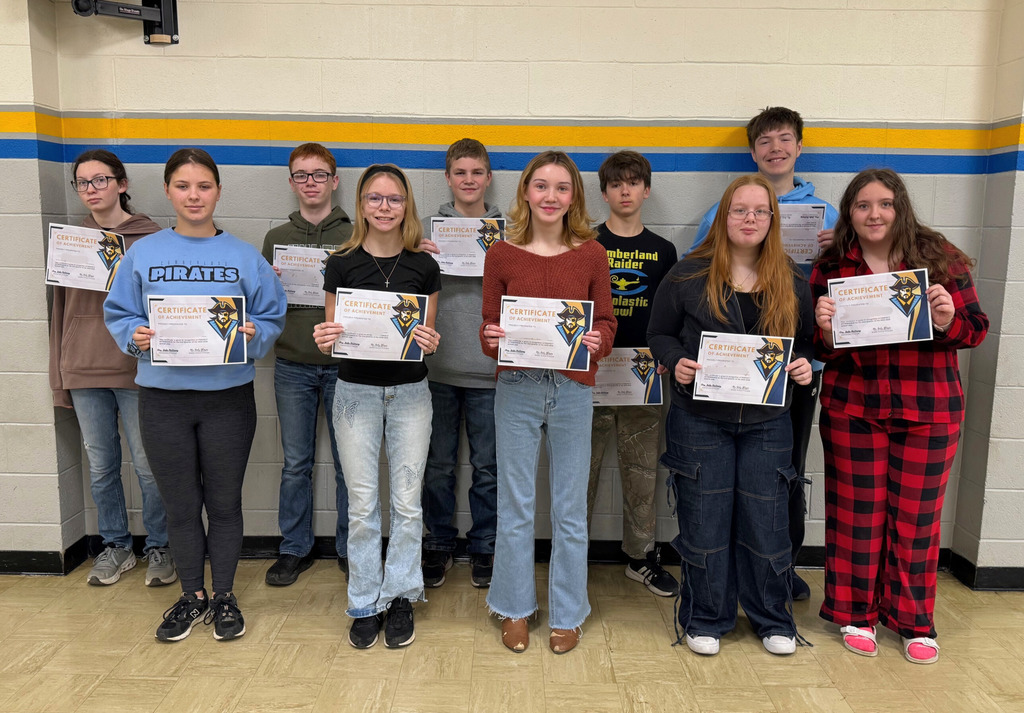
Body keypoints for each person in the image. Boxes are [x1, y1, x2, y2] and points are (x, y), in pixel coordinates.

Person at [104, 148, 287, 642]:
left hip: (227, 397)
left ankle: (224, 595)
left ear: (218, 192)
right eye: (183, 186)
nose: (194, 195)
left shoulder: (244, 256)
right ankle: (191, 596)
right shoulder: (144, 253)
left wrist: (254, 333)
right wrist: (134, 334)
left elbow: (272, 316)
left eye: (203, 186)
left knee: (225, 503)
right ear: (168, 191)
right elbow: (119, 312)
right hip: (162, 400)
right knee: (181, 505)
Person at [811, 168, 988, 664]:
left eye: (884, 204)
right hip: (853, 409)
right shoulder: (832, 267)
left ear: (900, 207)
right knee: (855, 515)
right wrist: (824, 332)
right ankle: (856, 615)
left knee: (917, 519)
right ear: (850, 212)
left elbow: (976, 329)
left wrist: (949, 319)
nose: (874, 214)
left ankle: (914, 622)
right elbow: (821, 348)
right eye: (863, 205)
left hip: (929, 409)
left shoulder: (940, 258)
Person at [648, 174, 814, 657]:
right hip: (700, 418)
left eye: (760, 211)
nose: (749, 219)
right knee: (704, 522)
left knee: (767, 522)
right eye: (739, 210)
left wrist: (803, 364)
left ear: (772, 220)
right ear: (723, 217)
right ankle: (705, 617)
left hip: (768, 424)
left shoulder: (793, 278)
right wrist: (675, 359)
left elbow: (804, 343)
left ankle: (772, 619)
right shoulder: (687, 274)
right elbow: (661, 334)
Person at [690, 106, 838, 601]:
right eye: (766, 141)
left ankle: (781, 568)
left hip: (795, 370)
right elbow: (696, 280)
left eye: (785, 139)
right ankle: (728, 572)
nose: (776, 148)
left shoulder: (830, 217)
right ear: (753, 152)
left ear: (798, 147)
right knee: (726, 477)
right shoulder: (720, 212)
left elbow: (850, 288)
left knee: (783, 472)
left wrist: (839, 249)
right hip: (730, 370)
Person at [481, 151, 616, 655]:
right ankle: (514, 606)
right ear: (526, 193)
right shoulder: (501, 253)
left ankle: (568, 611)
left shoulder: (592, 254)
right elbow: (487, 326)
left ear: (574, 197)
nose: (551, 197)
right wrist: (491, 336)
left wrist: (598, 340)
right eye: (541, 186)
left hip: (573, 389)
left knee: (568, 508)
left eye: (562, 188)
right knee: (515, 505)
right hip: (516, 387)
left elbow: (605, 320)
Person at [312, 164, 441, 650]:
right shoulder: (341, 263)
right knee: (364, 507)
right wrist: (325, 338)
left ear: (406, 205)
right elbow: (332, 339)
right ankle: (365, 600)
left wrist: (430, 339)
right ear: (362, 205)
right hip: (355, 394)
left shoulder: (424, 267)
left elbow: (429, 339)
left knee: (407, 504)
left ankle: (402, 594)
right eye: (374, 198)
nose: (384, 207)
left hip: (410, 393)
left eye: (394, 199)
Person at [50, 149, 175, 588]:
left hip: (136, 369)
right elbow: (60, 312)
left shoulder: (152, 239)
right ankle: (117, 545)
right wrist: (58, 374)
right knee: (102, 465)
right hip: (82, 367)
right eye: (82, 183)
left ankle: (160, 544)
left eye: (99, 180)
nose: (91, 190)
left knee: (147, 464)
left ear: (121, 184)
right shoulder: (69, 241)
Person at [586, 150, 678, 598]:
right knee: (578, 472)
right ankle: (571, 555)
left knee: (642, 473)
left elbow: (670, 318)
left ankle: (639, 557)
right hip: (589, 376)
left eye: (633, 182)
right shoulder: (585, 244)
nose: (625, 190)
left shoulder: (664, 251)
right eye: (616, 183)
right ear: (604, 192)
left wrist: (667, 355)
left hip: (644, 378)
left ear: (646, 189)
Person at [261, 143, 353, 586]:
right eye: (301, 175)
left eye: (319, 174)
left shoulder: (356, 236)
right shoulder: (274, 238)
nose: (311, 182)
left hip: (345, 367)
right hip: (292, 365)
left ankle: (350, 548)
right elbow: (261, 307)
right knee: (295, 463)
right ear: (292, 181)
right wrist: (269, 286)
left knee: (347, 462)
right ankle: (293, 548)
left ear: (335, 181)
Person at [419, 138, 501, 589]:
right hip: (440, 369)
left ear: (488, 178)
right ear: (448, 178)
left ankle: (485, 545)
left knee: (489, 467)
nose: (468, 180)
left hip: (491, 371)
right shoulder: (427, 233)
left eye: (477, 172)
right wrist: (419, 254)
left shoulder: (511, 231)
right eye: (460, 172)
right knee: (438, 465)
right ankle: (439, 544)